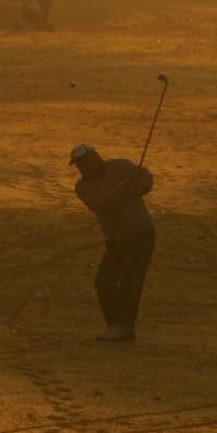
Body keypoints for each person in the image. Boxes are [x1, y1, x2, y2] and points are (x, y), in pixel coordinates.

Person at [70, 143, 155, 341]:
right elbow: (101, 204)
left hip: (140, 233)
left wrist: (139, 187)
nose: (83, 167)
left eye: (85, 161)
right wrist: (126, 187)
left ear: (96, 156)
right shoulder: (82, 187)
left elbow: (146, 178)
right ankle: (118, 325)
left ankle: (124, 326)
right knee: (104, 282)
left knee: (130, 281)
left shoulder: (121, 166)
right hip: (116, 238)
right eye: (79, 165)